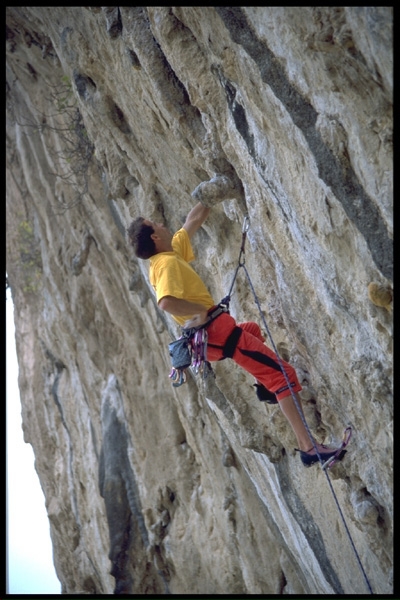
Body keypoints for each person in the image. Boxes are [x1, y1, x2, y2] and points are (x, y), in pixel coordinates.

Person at [127, 183, 342, 467]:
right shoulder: (165, 264)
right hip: (216, 333)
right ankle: (308, 447)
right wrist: (201, 310)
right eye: (155, 223)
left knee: (251, 329)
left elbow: (193, 220)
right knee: (284, 376)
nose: (162, 223)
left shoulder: (170, 254)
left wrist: (212, 189)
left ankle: (268, 387)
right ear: (154, 236)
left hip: (217, 335)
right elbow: (165, 302)